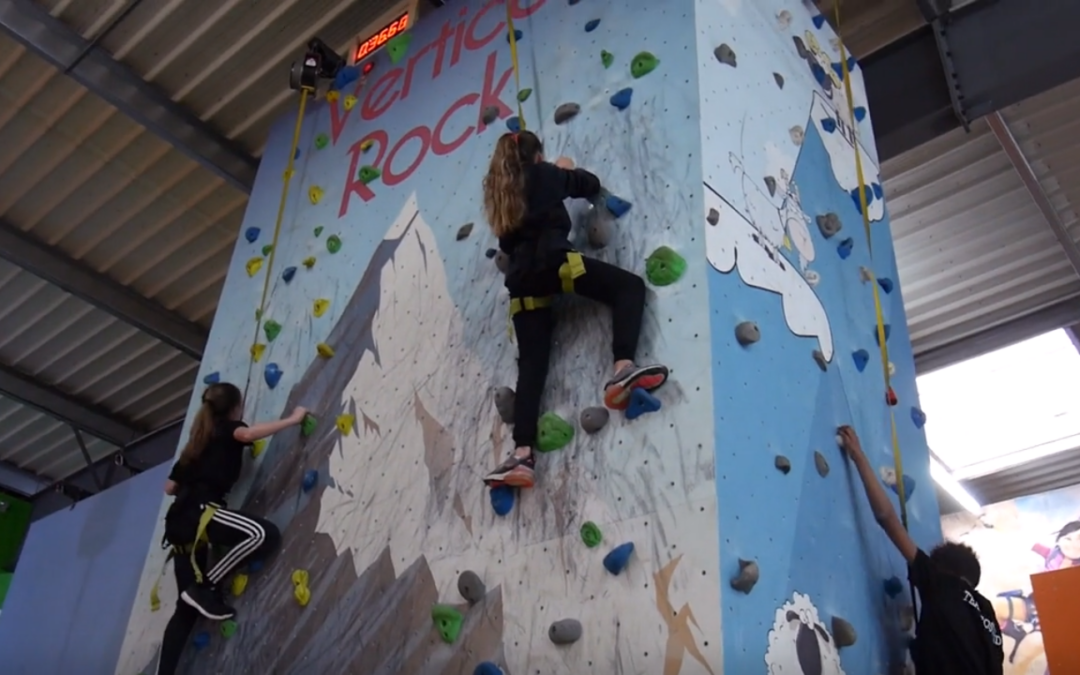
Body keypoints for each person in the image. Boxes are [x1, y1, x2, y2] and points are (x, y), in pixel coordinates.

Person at [480, 130, 668, 489]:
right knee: (629, 287)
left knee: (531, 368)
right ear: (538, 157)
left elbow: (507, 240)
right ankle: (622, 369)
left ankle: (522, 455)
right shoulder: (546, 174)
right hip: (556, 265)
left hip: (522, 288)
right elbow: (587, 184)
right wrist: (562, 167)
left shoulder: (501, 196)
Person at [155, 382, 307, 675]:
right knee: (263, 534)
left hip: (180, 526)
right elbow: (247, 434)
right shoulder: (226, 429)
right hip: (202, 512)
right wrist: (293, 419)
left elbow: (170, 487)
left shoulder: (197, 442)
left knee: (185, 610)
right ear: (236, 408)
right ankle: (206, 586)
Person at [837, 425, 1004, 675]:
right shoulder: (987, 614)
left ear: (942, 568)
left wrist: (858, 455)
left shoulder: (943, 582)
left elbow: (886, 518)